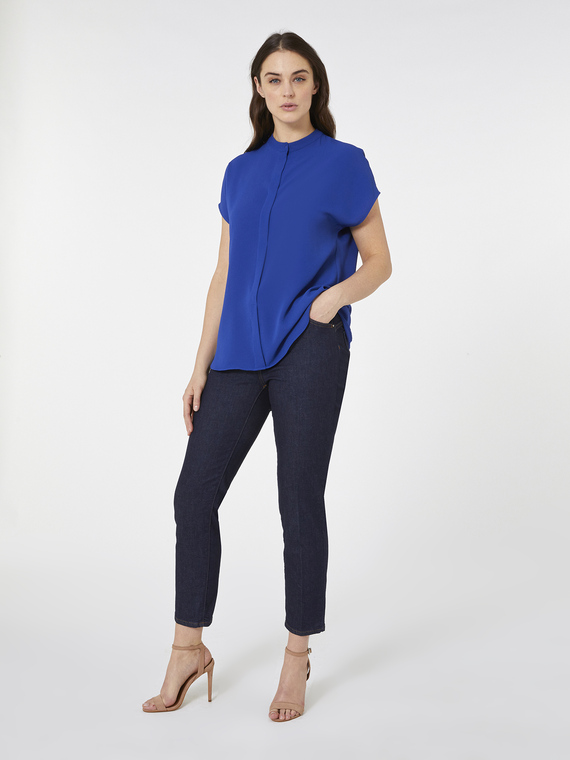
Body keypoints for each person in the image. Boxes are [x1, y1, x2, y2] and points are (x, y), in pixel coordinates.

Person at [142, 31, 392, 722]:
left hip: (309, 348)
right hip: (235, 355)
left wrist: (330, 302)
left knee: (297, 499)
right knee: (194, 495)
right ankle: (187, 649)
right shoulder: (239, 171)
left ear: (316, 86)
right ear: (258, 88)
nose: (287, 90)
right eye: (274, 78)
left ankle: (296, 655)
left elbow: (380, 261)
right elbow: (224, 273)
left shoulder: (344, 163)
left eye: (299, 77)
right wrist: (198, 367)